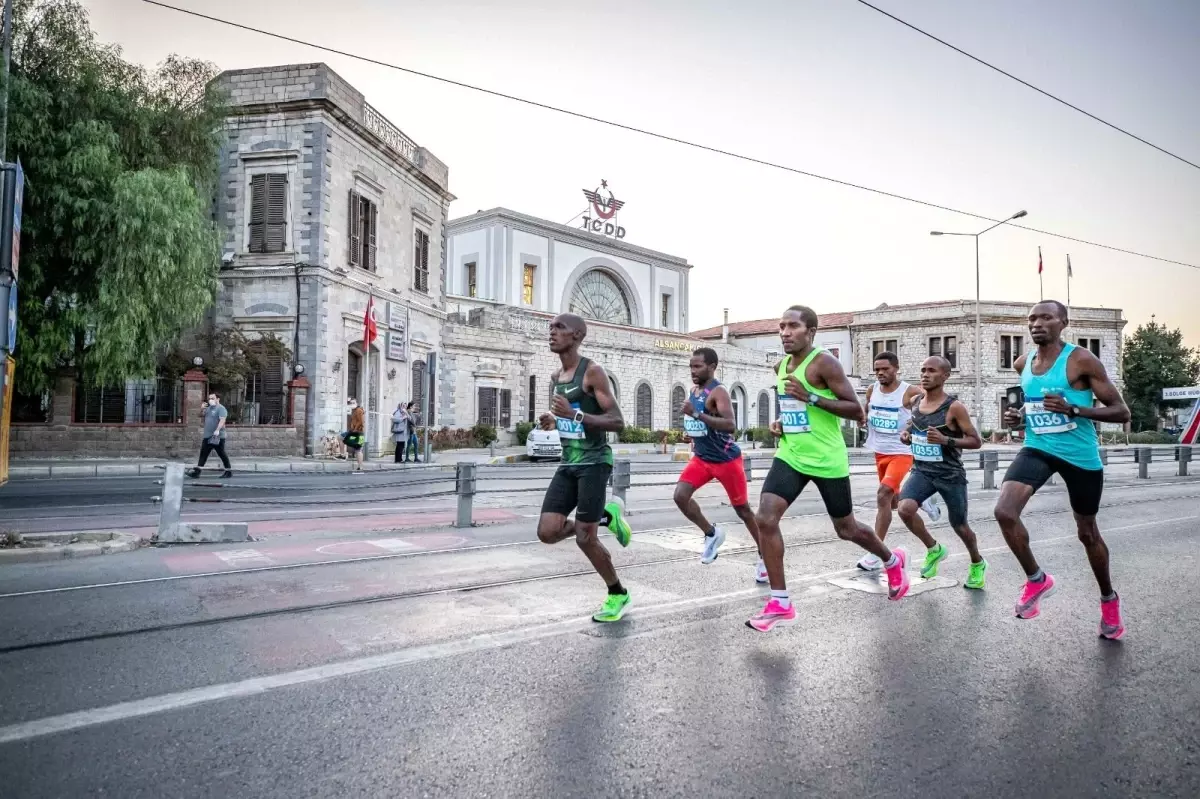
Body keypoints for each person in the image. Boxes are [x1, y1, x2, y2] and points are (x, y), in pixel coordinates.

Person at [749, 306, 910, 632]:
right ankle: (780, 601)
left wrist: (811, 398)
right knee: (765, 517)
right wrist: (782, 423)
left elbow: (854, 411)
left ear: (811, 332)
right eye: (781, 327)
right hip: (792, 455)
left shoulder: (825, 363)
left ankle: (892, 561)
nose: (785, 332)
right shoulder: (780, 366)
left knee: (846, 528)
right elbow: (793, 408)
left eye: (792, 326)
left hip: (826, 459)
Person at [994, 300, 1130, 639]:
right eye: (1031, 319)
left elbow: (1121, 412)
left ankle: (1108, 600)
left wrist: (1074, 410)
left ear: (1063, 323)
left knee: (1087, 533)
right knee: (1004, 511)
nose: (1037, 324)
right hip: (1038, 448)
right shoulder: (1023, 363)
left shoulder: (1081, 360)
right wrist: (1020, 416)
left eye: (1046, 317)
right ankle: (1037, 580)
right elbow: (1034, 403)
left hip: (1079, 456)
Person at [537, 313, 634, 623]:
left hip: (594, 462)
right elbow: (570, 414)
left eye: (560, 328)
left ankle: (617, 594)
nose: (552, 332)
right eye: (550, 327)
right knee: (547, 533)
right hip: (568, 463)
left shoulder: (592, 373)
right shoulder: (555, 377)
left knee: (584, 537)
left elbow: (618, 422)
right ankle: (606, 515)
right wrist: (555, 420)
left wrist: (574, 417)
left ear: (577, 335)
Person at [895, 357, 988, 588]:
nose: (925, 375)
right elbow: (914, 424)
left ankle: (977, 563)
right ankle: (934, 548)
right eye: (923, 370)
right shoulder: (916, 401)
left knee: (959, 525)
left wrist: (945, 439)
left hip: (949, 474)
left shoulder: (954, 407)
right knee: (905, 509)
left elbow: (976, 441)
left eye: (932, 371)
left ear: (945, 376)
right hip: (922, 470)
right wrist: (907, 435)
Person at [674, 347, 764, 578]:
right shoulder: (694, 390)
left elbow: (729, 425)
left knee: (743, 510)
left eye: (698, 366)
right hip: (703, 459)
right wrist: (692, 433)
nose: (693, 371)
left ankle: (765, 554)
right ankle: (711, 533)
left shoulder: (719, 391)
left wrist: (696, 415)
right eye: (691, 367)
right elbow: (704, 424)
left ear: (712, 367)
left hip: (726, 460)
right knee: (680, 496)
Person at [858, 351, 940, 571]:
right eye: (877, 369)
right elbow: (868, 409)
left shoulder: (909, 391)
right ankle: (922, 504)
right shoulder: (871, 389)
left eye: (885, 369)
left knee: (883, 495)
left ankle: (876, 553)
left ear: (896, 369)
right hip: (880, 452)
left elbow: (933, 402)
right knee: (894, 502)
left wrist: (914, 424)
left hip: (902, 453)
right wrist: (863, 418)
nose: (881, 373)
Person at [189, 391, 232, 479]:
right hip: (207, 436)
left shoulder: (221, 409)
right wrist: (202, 408)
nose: (210, 400)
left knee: (221, 454)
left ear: (218, 399)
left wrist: (217, 430)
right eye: (209, 399)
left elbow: (222, 420)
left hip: (217, 436)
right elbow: (200, 415)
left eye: (212, 398)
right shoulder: (208, 408)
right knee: (203, 454)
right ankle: (197, 472)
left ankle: (228, 471)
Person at [344, 397, 366, 473]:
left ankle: (361, 467)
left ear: (356, 403)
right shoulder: (354, 411)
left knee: (358, 449)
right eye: (351, 403)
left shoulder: (359, 410)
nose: (352, 404)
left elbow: (361, 422)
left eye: (353, 403)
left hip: (359, 433)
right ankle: (360, 466)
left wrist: (355, 429)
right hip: (356, 432)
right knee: (357, 449)